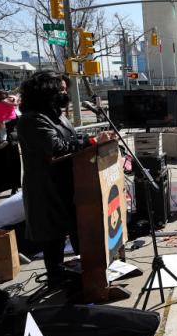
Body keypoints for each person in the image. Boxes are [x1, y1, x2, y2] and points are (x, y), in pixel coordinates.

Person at [17, 72, 112, 283]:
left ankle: (85, 273)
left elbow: (72, 138)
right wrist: (93, 141)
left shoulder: (56, 114)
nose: (64, 92)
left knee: (75, 228)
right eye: (60, 89)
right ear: (46, 92)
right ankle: (57, 278)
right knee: (53, 237)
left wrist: (89, 140)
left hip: (70, 183)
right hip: (47, 189)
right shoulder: (32, 119)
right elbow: (56, 147)